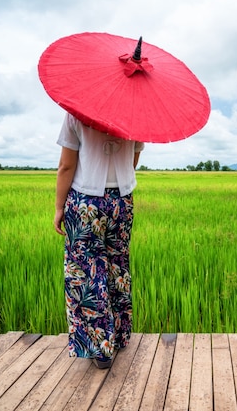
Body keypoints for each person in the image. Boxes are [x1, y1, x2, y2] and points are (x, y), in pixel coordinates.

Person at [53, 112, 144, 369]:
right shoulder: (137, 114)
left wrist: (59, 207)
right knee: (117, 266)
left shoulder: (77, 113)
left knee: (87, 273)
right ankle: (118, 336)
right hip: (122, 201)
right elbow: (133, 160)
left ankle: (100, 349)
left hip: (85, 202)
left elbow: (66, 166)